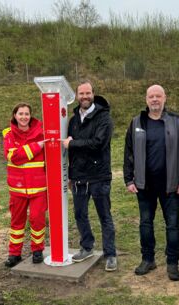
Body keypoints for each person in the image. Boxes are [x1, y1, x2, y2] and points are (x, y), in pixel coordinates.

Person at [123, 84, 179, 281]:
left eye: (158, 96)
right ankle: (148, 259)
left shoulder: (177, 122)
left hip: (171, 186)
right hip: (144, 186)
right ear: (146, 100)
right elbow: (128, 152)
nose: (154, 99)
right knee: (146, 223)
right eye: (151, 96)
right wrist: (129, 178)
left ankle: (172, 263)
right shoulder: (136, 122)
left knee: (172, 225)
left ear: (164, 98)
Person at [61, 80, 117, 271]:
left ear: (93, 94)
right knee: (80, 214)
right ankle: (87, 246)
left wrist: (73, 143)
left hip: (99, 176)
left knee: (104, 216)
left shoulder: (104, 118)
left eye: (88, 93)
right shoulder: (74, 119)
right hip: (78, 176)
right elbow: (70, 151)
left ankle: (110, 254)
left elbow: (98, 143)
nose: (85, 96)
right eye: (81, 94)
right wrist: (69, 174)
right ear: (77, 96)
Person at [2, 103, 48, 267]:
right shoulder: (8, 134)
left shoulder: (42, 132)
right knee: (17, 222)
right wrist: (37, 146)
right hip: (17, 188)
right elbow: (13, 157)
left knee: (37, 220)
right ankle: (14, 254)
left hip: (38, 187)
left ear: (31, 116)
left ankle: (37, 251)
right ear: (14, 115)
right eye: (20, 114)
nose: (23, 117)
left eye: (26, 114)